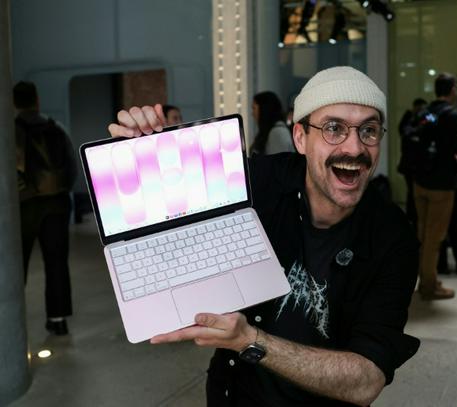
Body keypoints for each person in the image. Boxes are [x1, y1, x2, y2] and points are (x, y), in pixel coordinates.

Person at [108, 66, 420, 406]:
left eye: (369, 131)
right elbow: (166, 207)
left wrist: (249, 340)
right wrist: (141, 149)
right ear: (300, 137)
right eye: (334, 128)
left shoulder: (393, 237)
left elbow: (367, 380)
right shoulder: (262, 181)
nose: (355, 148)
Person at [14, 81, 77, 336]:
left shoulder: (10, 131)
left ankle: (13, 320)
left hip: (23, 206)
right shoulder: (56, 127)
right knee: (56, 262)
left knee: (17, 264)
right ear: (37, 99)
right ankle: (57, 319)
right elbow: (72, 167)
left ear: (14, 103)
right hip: (57, 204)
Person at [412, 73, 457, 300]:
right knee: (434, 238)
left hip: (420, 182)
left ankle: (427, 279)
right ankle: (428, 286)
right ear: (452, 89)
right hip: (441, 185)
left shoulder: (426, 112)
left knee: (423, 235)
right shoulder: (452, 116)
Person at [397, 98, 427, 226]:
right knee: (412, 192)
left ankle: (414, 216)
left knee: (414, 192)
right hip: (409, 164)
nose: (421, 112)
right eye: (420, 109)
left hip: (418, 164)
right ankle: (412, 217)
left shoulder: (425, 118)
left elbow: (434, 122)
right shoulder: (408, 118)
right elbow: (404, 131)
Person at [249, 91, 295, 157]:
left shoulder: (278, 132)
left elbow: (279, 162)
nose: (252, 113)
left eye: (254, 108)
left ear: (263, 109)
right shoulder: (273, 131)